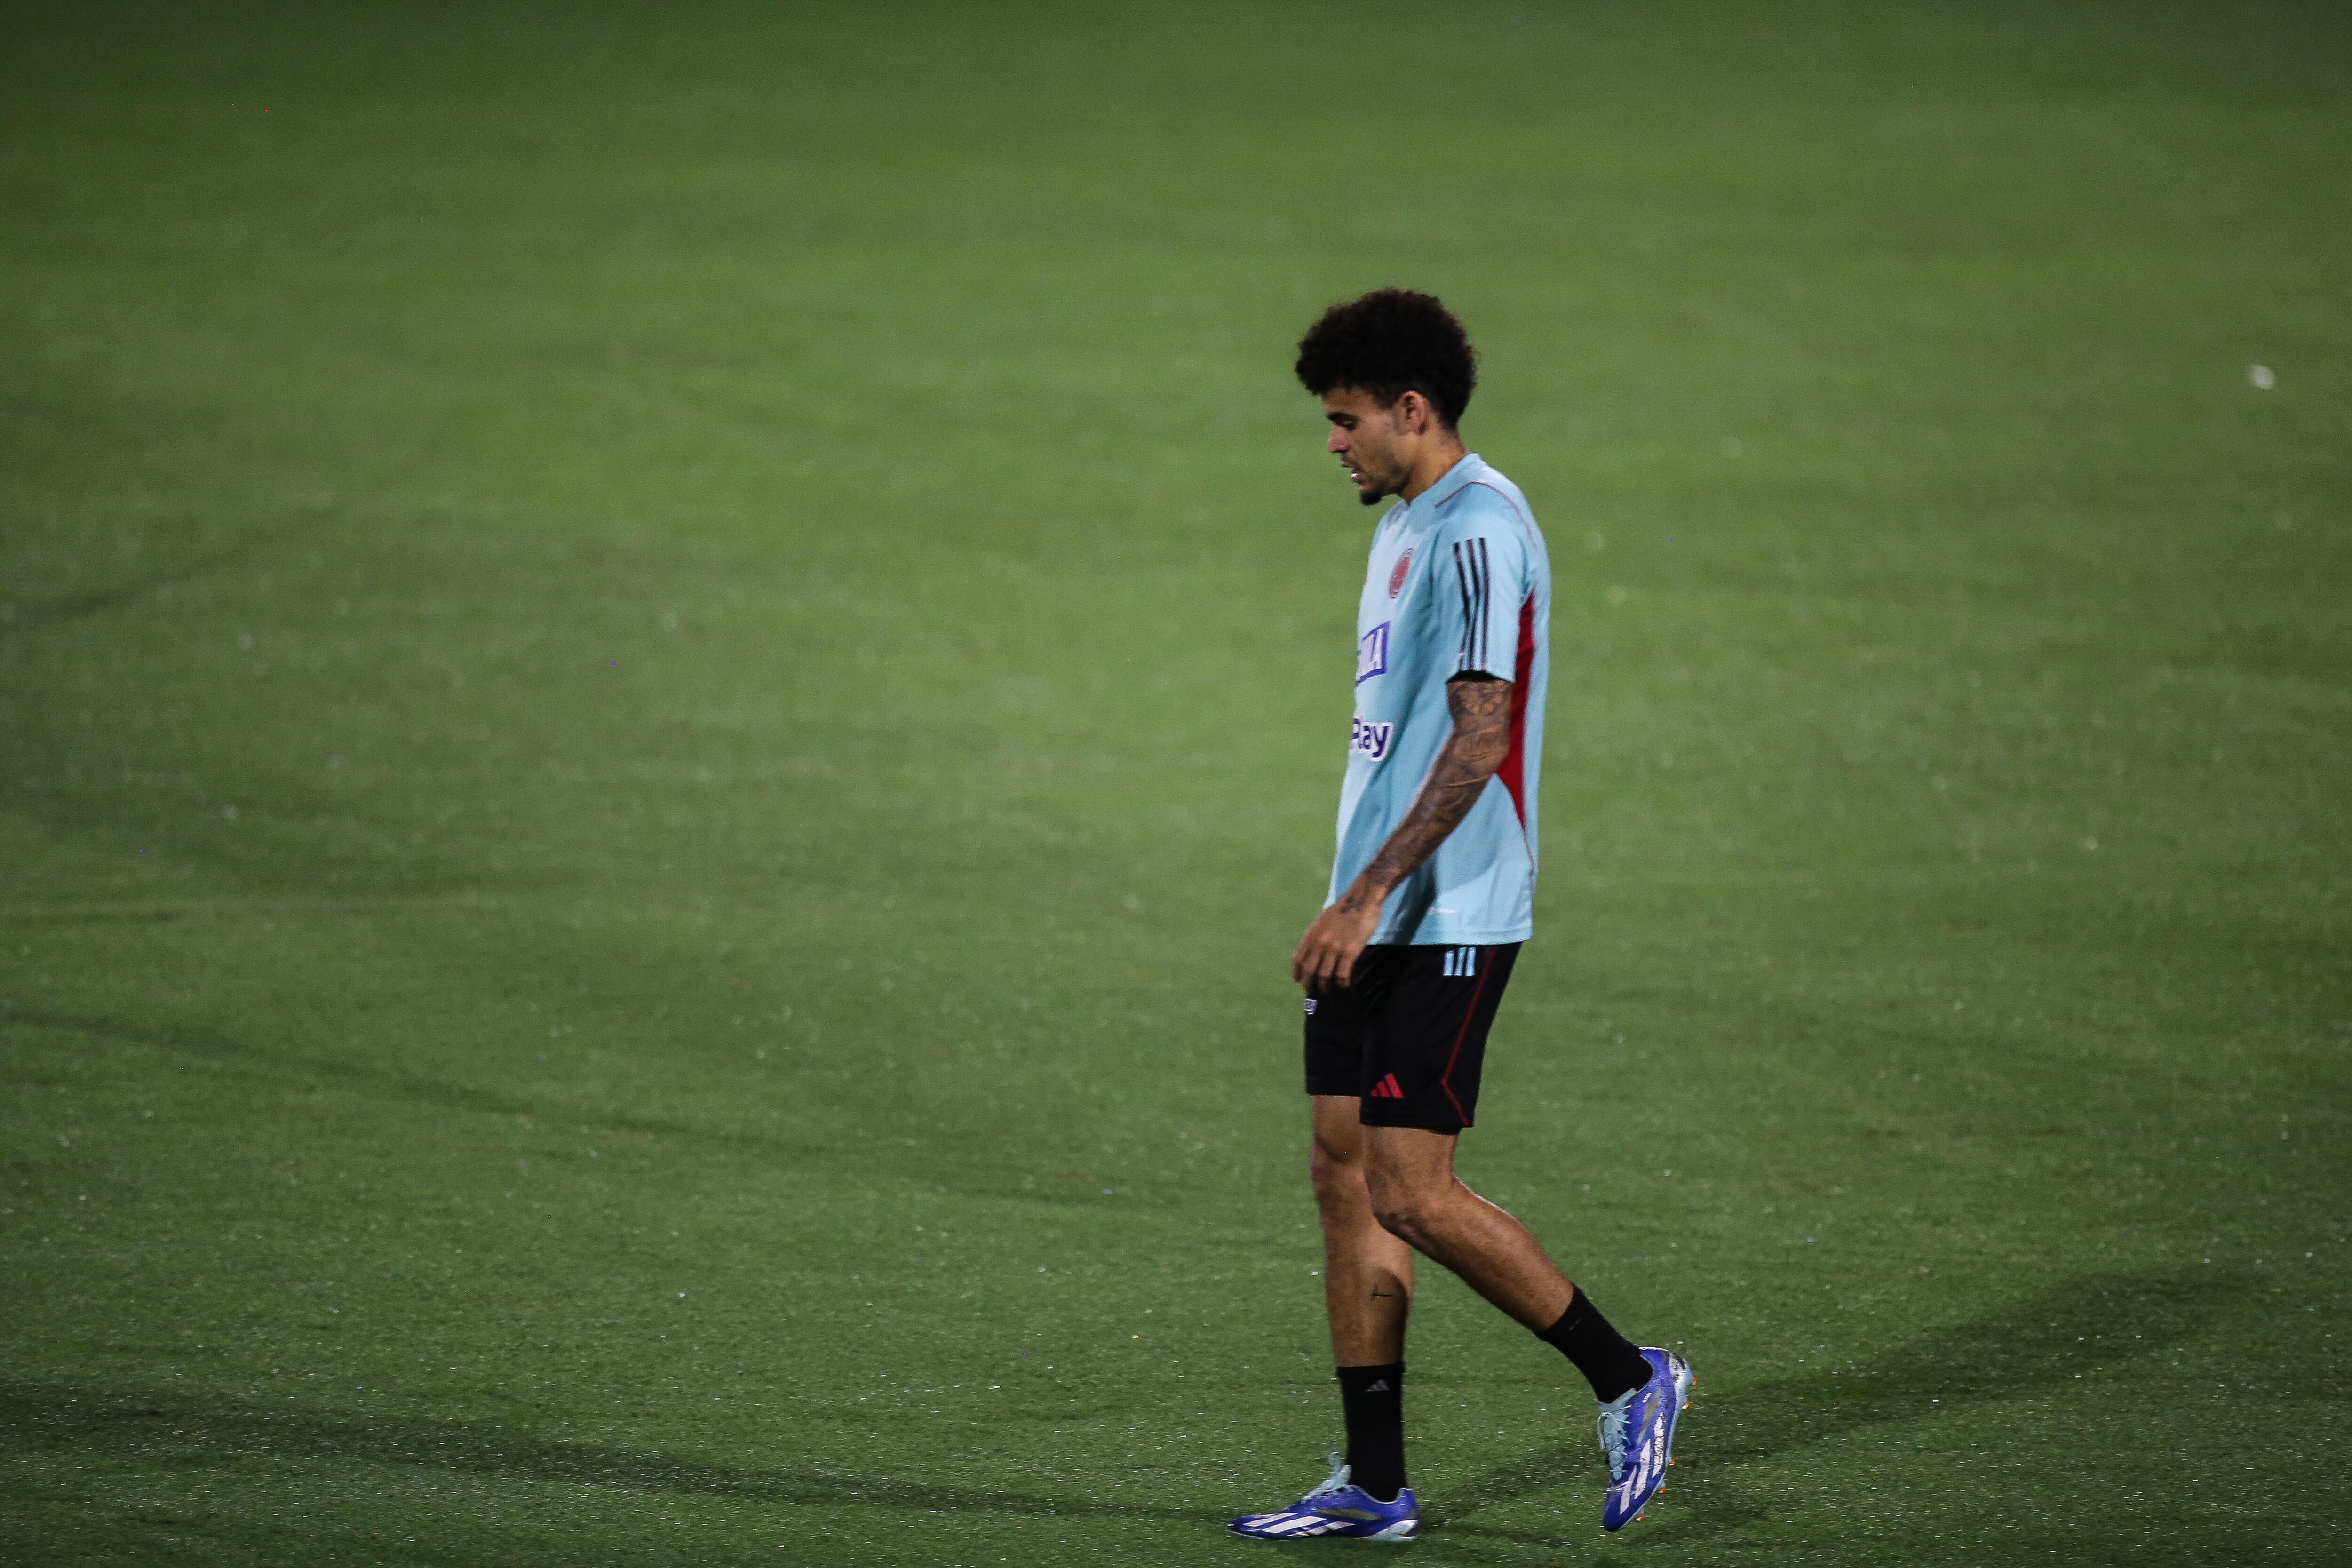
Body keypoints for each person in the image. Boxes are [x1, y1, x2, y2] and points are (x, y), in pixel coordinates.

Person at [1228, 289, 1692, 1544]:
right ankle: (1375, 1484)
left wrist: (1374, 893)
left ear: (1411, 412)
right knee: (1342, 1171)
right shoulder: (1405, 521)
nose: (1334, 444)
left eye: (1346, 421)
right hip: (1370, 910)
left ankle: (1631, 1376)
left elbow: (1482, 739)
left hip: (1450, 912)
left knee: (1413, 1191)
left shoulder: (1481, 531)